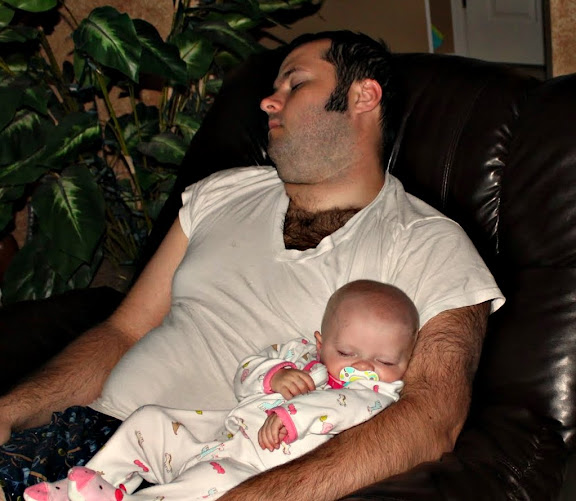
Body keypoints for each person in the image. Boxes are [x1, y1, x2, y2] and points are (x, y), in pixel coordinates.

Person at [0, 30, 505, 501]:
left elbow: (432, 417)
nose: (268, 101)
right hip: (93, 441)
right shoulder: (220, 193)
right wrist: (10, 411)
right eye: (273, 87)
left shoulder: (428, 243)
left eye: (295, 83)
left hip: (224, 470)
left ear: (363, 97)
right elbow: (124, 331)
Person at [23, 280, 417, 501]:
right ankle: (90, 485)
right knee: (150, 420)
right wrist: (275, 376)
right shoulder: (297, 355)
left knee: (216, 481)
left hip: (256, 473)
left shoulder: (381, 397)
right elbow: (244, 372)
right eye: (347, 352)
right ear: (320, 342)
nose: (363, 367)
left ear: (406, 361)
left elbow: (348, 405)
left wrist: (292, 415)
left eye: (385, 360)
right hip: (214, 440)